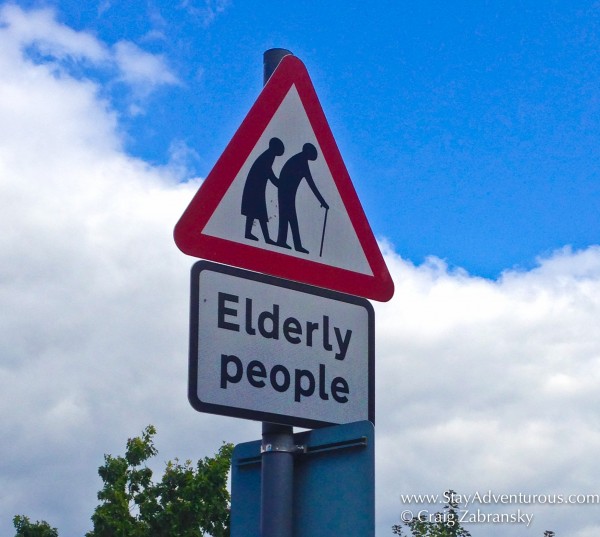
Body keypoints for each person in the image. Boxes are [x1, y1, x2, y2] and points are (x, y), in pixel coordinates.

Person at [276, 142, 328, 253]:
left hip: (286, 193)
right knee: (289, 218)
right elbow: (312, 184)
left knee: (288, 218)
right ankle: (288, 243)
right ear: (307, 152)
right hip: (286, 193)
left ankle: (286, 242)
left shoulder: (299, 159)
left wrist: (323, 202)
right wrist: (323, 202)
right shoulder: (300, 161)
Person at [240, 137, 284, 244]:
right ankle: (255, 235)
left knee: (259, 213)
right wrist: (279, 183)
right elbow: (269, 172)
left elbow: (268, 172)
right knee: (256, 212)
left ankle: (265, 238)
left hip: (257, 187)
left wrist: (277, 183)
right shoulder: (268, 155)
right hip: (255, 187)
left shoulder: (269, 155)